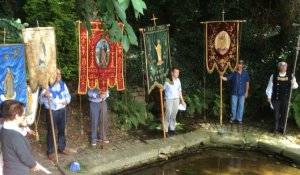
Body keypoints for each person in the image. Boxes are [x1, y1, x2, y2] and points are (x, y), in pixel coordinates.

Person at [0, 100, 39, 175]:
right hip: (17, 171)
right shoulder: (15, 136)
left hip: (9, 168)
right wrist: (33, 165)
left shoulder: (4, 129)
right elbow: (24, 155)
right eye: (23, 115)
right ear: (17, 116)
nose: (24, 117)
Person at [39, 69, 71, 160]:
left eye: (60, 74)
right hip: (52, 111)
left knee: (62, 130)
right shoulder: (46, 87)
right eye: (57, 75)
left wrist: (67, 101)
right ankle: (51, 151)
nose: (59, 76)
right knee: (51, 131)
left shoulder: (63, 85)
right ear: (52, 76)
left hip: (62, 110)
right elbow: (40, 101)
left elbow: (68, 95)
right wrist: (44, 95)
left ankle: (62, 147)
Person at [266, 62, 298, 134]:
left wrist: (293, 83)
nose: (283, 67)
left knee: (284, 114)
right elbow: (269, 87)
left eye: (285, 65)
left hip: (285, 99)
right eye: (281, 65)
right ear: (278, 67)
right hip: (275, 98)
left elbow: (295, 86)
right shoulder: (273, 76)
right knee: (275, 114)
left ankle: (282, 128)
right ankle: (275, 128)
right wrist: (269, 96)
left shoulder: (291, 76)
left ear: (286, 67)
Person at [221, 60, 250, 124]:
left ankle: (239, 119)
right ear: (237, 65)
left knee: (241, 106)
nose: (239, 65)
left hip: (242, 93)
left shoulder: (245, 73)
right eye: (238, 64)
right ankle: (232, 118)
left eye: (241, 64)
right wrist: (222, 77)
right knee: (233, 106)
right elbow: (227, 78)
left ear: (242, 65)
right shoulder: (234, 73)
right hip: (234, 92)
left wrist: (247, 91)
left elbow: (247, 83)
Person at [164, 67, 186, 136]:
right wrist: (160, 87)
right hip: (169, 99)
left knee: (174, 114)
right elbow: (162, 88)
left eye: (178, 72)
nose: (177, 74)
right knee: (168, 113)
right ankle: (166, 130)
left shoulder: (178, 80)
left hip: (176, 99)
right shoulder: (167, 80)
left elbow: (179, 91)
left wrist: (182, 101)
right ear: (172, 73)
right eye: (176, 72)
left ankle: (172, 129)